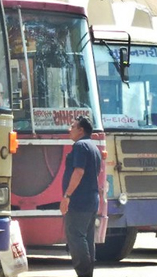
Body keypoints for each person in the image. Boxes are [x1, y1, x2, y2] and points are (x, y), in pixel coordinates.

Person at [60, 115, 103, 277]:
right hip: (92, 200)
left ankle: (84, 273)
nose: (69, 129)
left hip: (79, 200)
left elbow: (79, 172)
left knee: (76, 237)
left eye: (72, 126)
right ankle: (88, 273)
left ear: (81, 130)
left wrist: (67, 196)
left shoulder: (80, 146)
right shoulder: (93, 147)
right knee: (87, 238)